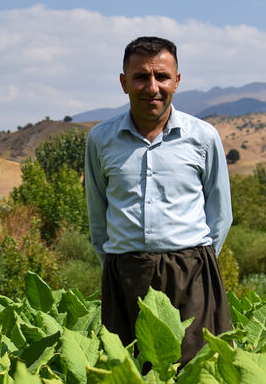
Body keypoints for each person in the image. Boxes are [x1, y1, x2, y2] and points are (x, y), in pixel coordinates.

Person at [84, 36, 233, 366]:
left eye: (162, 76)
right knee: (129, 374)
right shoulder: (100, 139)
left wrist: (197, 261)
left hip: (193, 275)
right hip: (125, 274)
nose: (152, 87)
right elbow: (98, 217)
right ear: (124, 82)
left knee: (198, 374)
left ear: (177, 82)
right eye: (141, 76)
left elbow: (220, 214)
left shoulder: (203, 137)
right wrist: (119, 265)